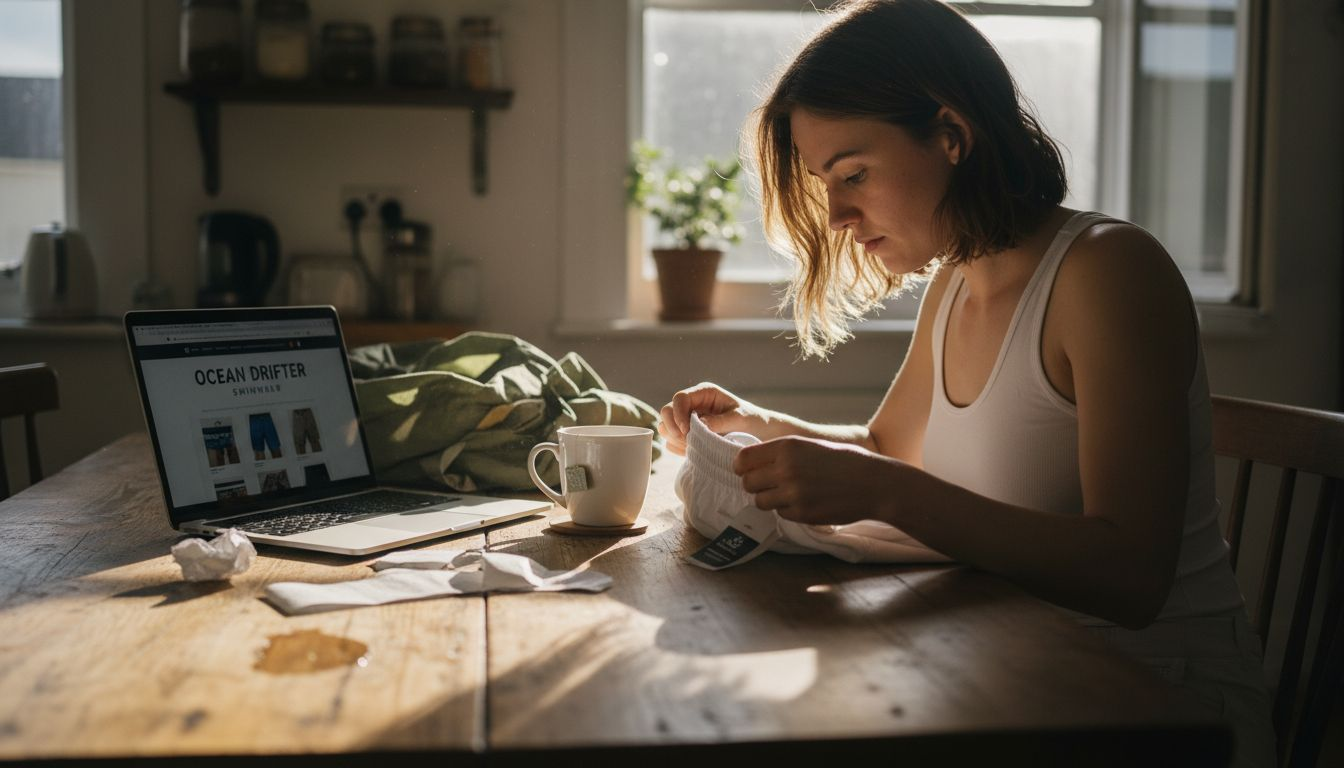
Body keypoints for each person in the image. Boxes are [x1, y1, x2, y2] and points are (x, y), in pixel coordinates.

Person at [657, 2, 1274, 765]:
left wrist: (886, 491)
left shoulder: (1108, 271)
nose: (841, 213)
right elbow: (888, 449)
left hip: (1155, 699)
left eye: (854, 173)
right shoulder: (957, 282)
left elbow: (1132, 578)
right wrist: (759, 425)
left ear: (951, 135)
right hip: (1004, 665)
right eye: (826, 184)